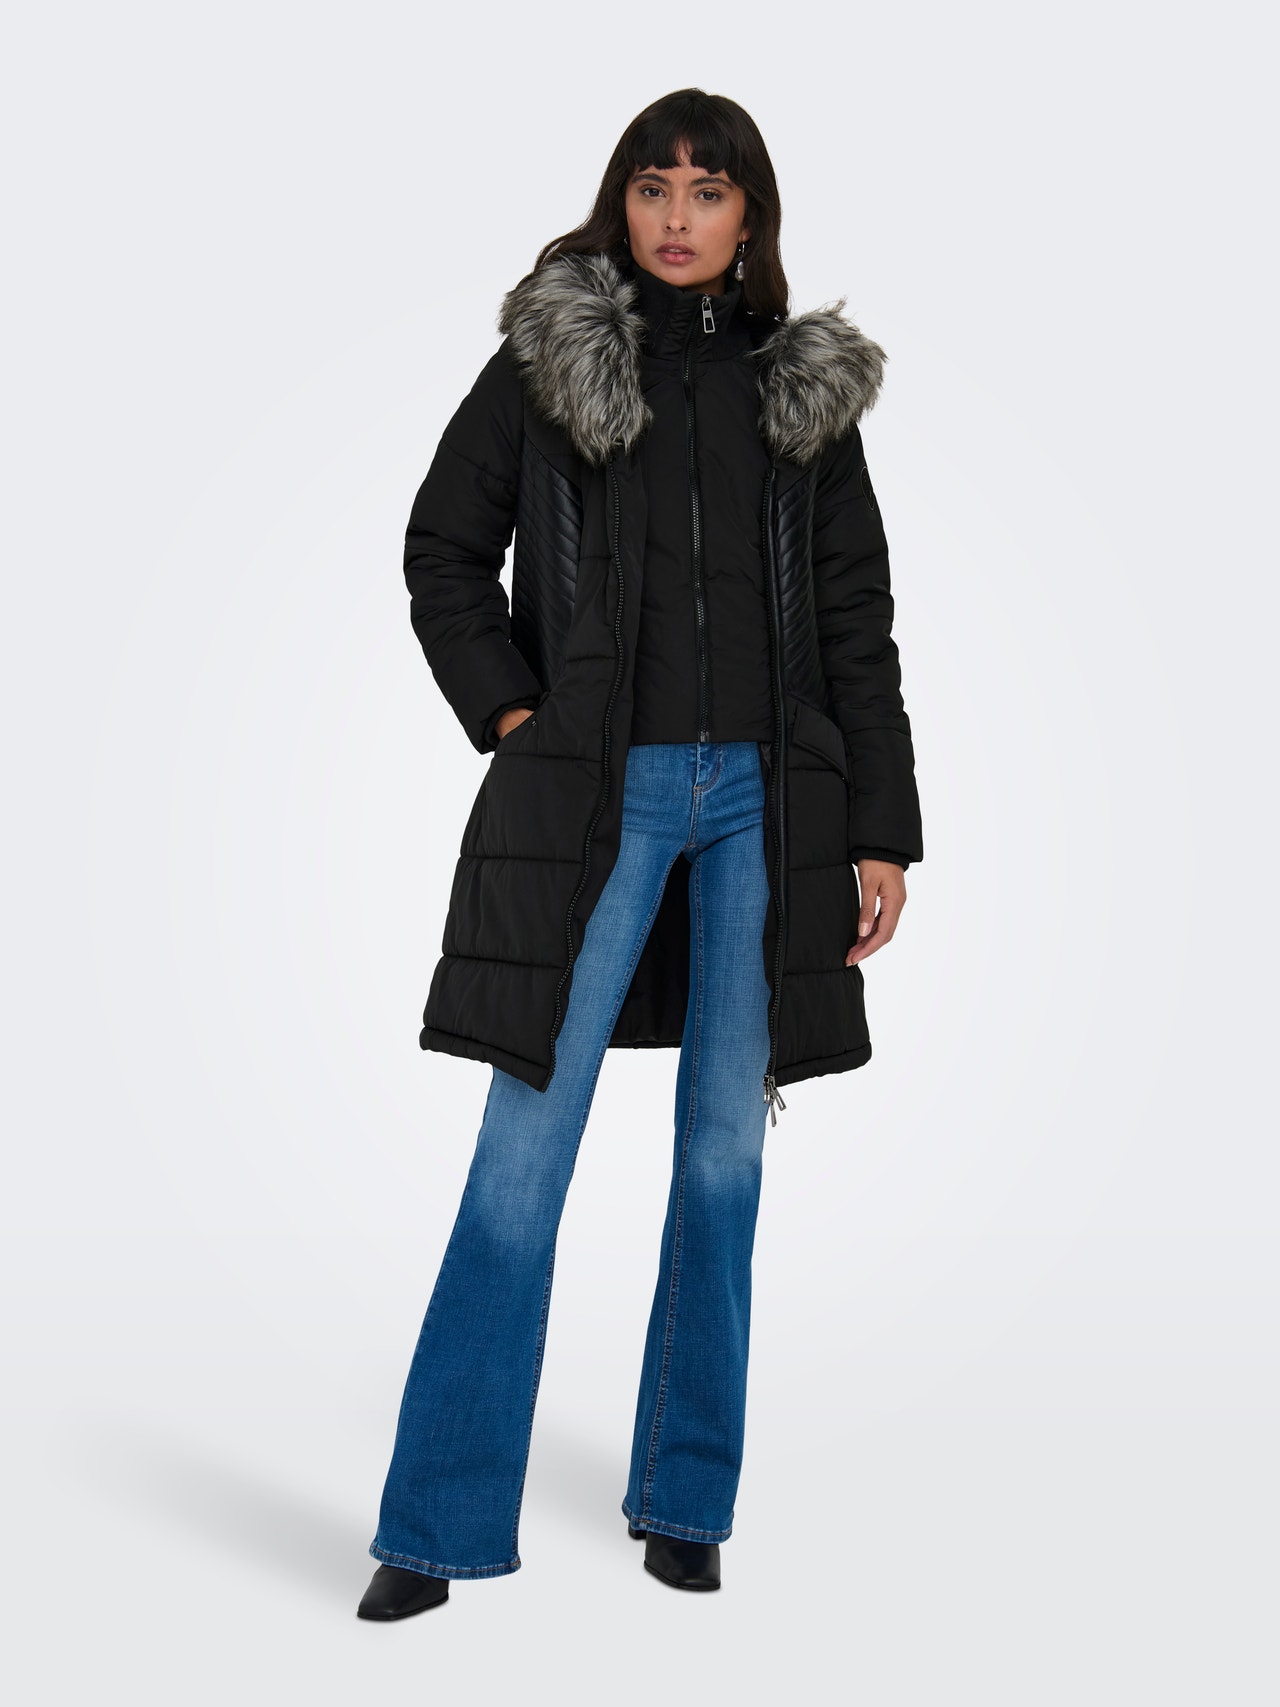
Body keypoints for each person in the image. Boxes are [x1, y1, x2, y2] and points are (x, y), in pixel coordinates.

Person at [356, 87, 924, 1621]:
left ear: (750, 217)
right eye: (656, 187)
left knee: (726, 1154)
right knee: (525, 1147)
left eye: (709, 191)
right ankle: (434, 1524)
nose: (679, 216)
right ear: (621, 201)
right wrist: (515, 714)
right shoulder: (551, 364)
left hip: (768, 807)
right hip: (600, 798)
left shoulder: (800, 396)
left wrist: (880, 828)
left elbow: (857, 623)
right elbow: (442, 549)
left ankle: (687, 1498)